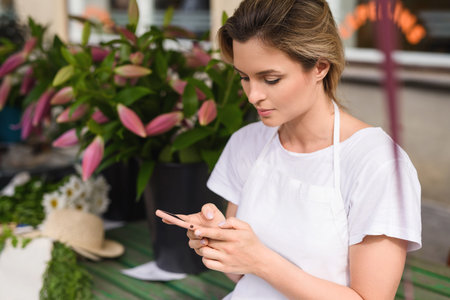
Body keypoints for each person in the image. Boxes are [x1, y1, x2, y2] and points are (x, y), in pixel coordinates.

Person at [158, 0, 422, 298]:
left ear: (320, 66)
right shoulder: (247, 144)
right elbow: (240, 276)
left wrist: (260, 259)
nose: (253, 95)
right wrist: (218, 239)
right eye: (244, 77)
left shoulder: (377, 163)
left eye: (271, 79)